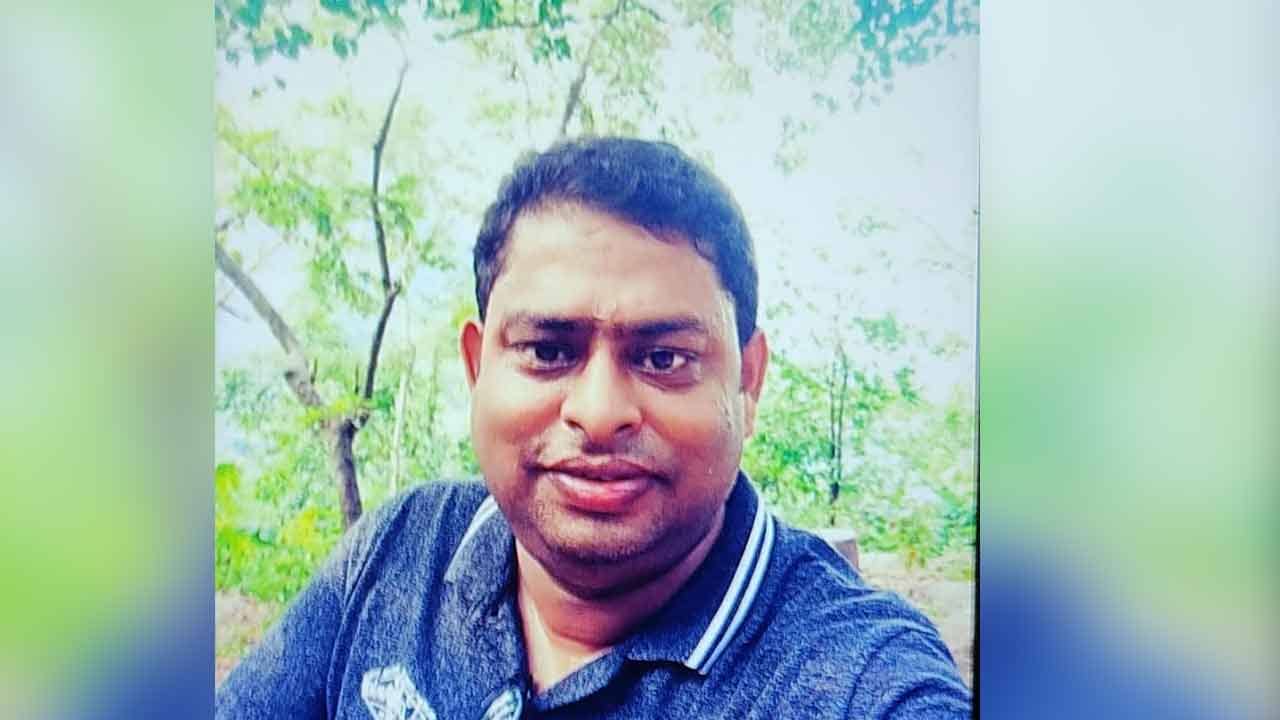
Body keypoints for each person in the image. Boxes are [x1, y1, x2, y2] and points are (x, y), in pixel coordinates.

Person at [216, 137, 971, 719]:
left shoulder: (859, 680)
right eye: (548, 351)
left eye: (664, 357)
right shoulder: (400, 551)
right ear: (478, 369)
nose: (600, 412)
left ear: (747, 383)